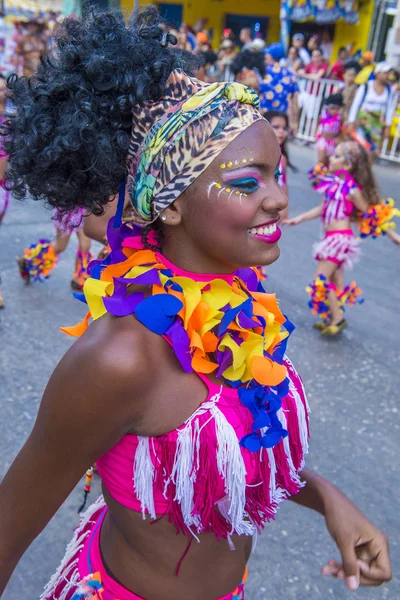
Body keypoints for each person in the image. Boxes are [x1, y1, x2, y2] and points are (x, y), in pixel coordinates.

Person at [0, 8, 392, 599]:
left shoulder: (245, 306)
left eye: (277, 174)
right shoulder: (119, 359)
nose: (281, 200)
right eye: (247, 182)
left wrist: (328, 499)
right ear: (172, 204)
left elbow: (241, 442)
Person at [285, 141, 398, 334]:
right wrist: (299, 218)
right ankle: (333, 317)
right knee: (336, 280)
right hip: (330, 237)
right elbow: (322, 208)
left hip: (340, 239)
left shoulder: (353, 191)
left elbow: (371, 214)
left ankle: (336, 319)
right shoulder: (331, 183)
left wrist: (393, 235)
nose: (330, 157)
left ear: (348, 166)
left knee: (320, 279)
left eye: (337, 156)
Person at [16, 206, 93, 289]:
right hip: (67, 207)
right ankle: (27, 262)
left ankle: (79, 278)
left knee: (85, 244)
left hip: (84, 208)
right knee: (60, 246)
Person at [347, 62, 396, 160]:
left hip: (377, 124)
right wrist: (351, 122)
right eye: (385, 73)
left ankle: (366, 172)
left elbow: (390, 109)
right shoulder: (366, 87)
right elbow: (356, 105)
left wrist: (387, 127)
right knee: (360, 147)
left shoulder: (389, 90)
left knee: (372, 150)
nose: (387, 76)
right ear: (377, 73)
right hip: (362, 121)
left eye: (388, 73)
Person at [264, 110, 298, 220]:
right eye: (276, 127)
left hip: (272, 207)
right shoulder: (257, 154)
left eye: (284, 128)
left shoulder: (282, 158)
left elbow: (283, 184)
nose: (281, 132)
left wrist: (285, 208)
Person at [259, 43, 299, 134]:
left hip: (262, 117)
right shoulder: (290, 74)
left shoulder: (263, 72)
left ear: (271, 56)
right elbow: (294, 101)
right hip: (280, 121)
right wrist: (294, 123)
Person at [315, 93, 343, 164]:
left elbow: (341, 129)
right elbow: (318, 124)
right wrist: (316, 134)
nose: (334, 111)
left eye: (337, 109)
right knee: (321, 160)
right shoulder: (323, 115)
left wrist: (339, 138)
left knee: (329, 162)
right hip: (323, 141)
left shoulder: (339, 117)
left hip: (333, 142)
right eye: (332, 108)